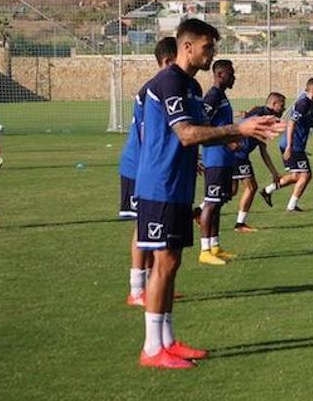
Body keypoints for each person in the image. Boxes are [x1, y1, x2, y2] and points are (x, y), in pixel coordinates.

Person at [135, 19, 283, 369]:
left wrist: (243, 132)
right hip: (160, 184)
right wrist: (239, 128)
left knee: (172, 263)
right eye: (207, 47)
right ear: (186, 46)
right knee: (164, 263)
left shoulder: (189, 85)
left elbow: (201, 132)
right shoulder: (170, 80)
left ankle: (167, 340)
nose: (211, 53)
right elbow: (186, 134)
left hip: (177, 183)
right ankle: (152, 348)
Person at [119, 37, 176, 306]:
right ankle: (136, 290)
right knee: (142, 228)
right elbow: (146, 136)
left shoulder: (163, 88)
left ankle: (155, 284)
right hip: (138, 167)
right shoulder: (153, 90)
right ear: (168, 61)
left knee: (155, 231)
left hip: (149, 167)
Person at [260, 78, 313, 212]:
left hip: (294, 145)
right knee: (306, 175)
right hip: (293, 145)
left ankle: (267, 190)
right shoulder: (303, 104)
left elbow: (308, 123)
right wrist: (289, 146)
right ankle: (292, 206)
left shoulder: (309, 104)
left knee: (295, 177)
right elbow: (291, 123)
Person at [197, 59, 239, 266]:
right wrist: (227, 142)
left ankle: (215, 246)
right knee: (211, 203)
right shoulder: (212, 96)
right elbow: (202, 123)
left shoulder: (222, 96)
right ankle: (204, 250)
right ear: (220, 75)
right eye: (231, 74)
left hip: (224, 159)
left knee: (219, 203)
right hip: (214, 157)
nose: (234, 77)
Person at [231, 93, 285, 231]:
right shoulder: (261, 114)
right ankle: (240, 224)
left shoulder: (263, 116)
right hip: (237, 154)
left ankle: (198, 211)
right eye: (282, 105)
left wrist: (274, 172)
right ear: (274, 104)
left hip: (238, 155)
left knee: (230, 191)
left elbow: (263, 150)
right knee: (251, 187)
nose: (284, 108)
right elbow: (251, 117)